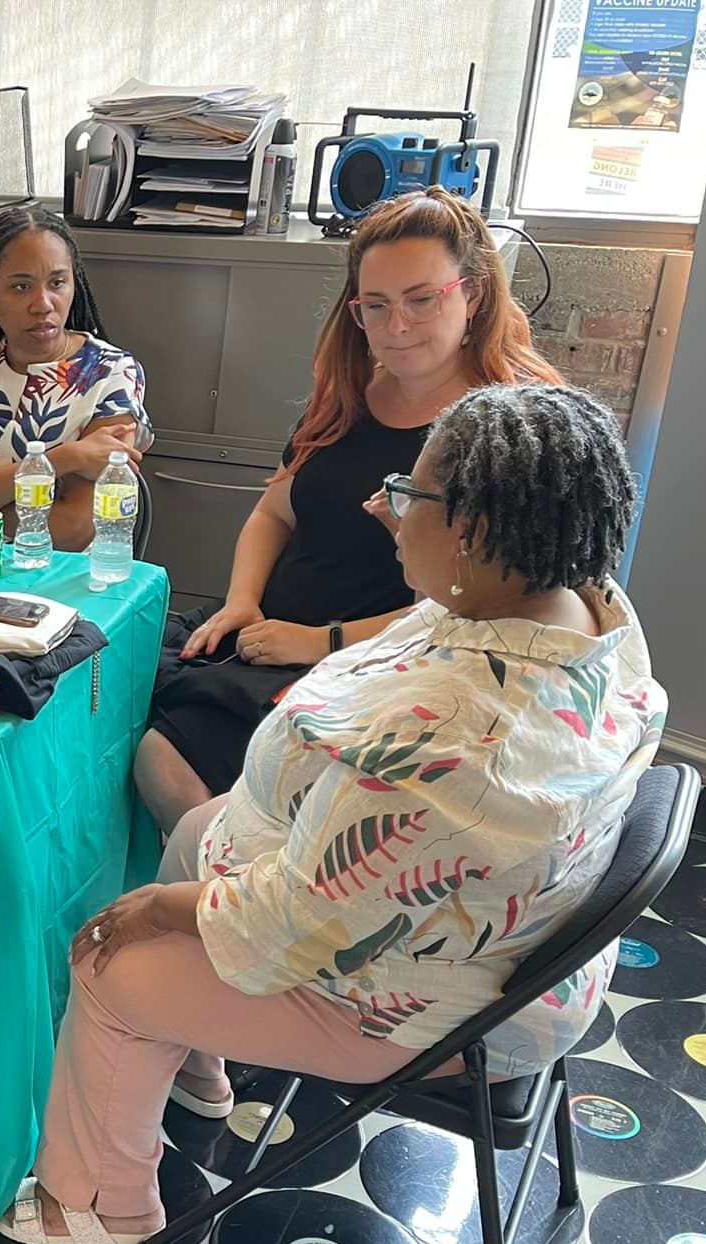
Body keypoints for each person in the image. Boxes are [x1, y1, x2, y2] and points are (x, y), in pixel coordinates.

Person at [0, 384, 665, 1244]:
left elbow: (301, 920)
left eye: (408, 492)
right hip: (462, 930)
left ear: (473, 532)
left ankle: (99, 1205)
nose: (382, 507)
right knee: (199, 832)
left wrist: (158, 909)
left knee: (108, 961)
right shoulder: (576, 601)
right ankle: (195, 1062)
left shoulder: (458, 745)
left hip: (423, 1002)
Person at [136, 188, 562, 830]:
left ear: (472, 294)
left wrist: (321, 642)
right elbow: (274, 512)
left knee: (174, 767)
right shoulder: (349, 394)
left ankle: (233, 883)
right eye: (376, 306)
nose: (397, 326)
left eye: (421, 299)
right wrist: (242, 601)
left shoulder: (507, 430)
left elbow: (475, 609)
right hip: (270, 631)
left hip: (383, 662)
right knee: (111, 697)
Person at [0, 205, 150, 554]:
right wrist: (66, 458)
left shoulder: (111, 373)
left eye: (57, 283)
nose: (42, 304)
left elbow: (74, 528)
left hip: (64, 577)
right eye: (20, 286)